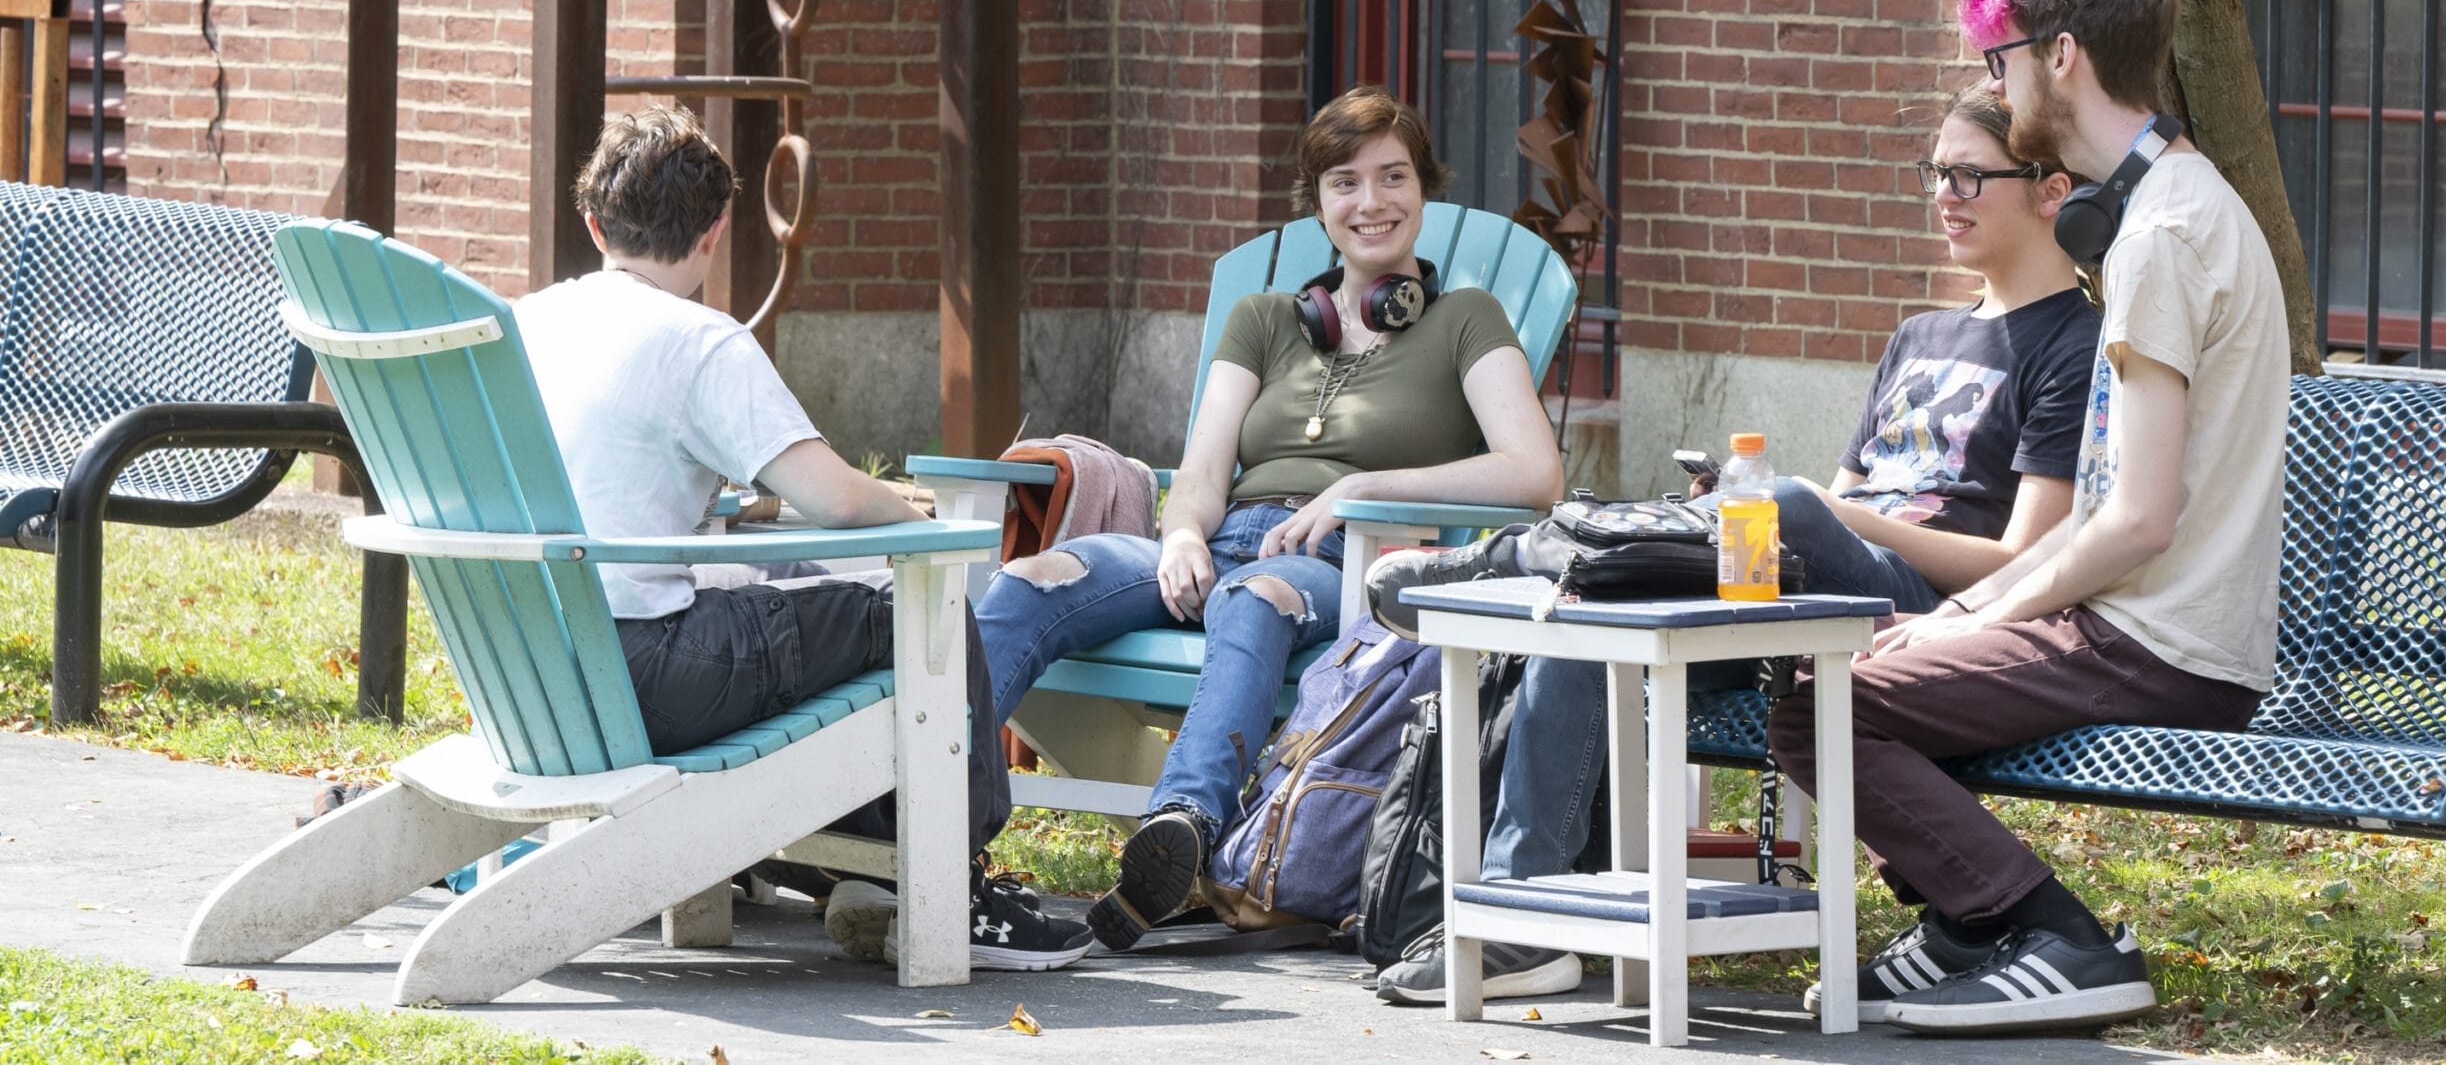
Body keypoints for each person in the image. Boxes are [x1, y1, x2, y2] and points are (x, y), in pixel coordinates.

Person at [1362, 80, 2102, 1005]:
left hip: (1921, 611)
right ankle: (1523, 918)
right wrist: (1762, 512)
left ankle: (1511, 552)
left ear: (2049, 189)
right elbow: (1836, 506)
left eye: (1969, 175)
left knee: (1781, 500)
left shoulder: (2074, 345)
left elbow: (2017, 561)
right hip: (1811, 582)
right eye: (1936, 172)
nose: (1944, 193)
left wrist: (1812, 513)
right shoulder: (1921, 334)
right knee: (1601, 606)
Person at [1771, 0, 2287, 1035]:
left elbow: (2136, 521)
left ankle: (2047, 934)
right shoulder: (2176, 208)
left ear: (2060, 57)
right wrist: (1958, 615)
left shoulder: (2161, 239)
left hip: (2156, 645)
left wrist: (1966, 619)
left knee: (1820, 710)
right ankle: (1969, 928)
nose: (1996, 87)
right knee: (1859, 672)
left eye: (2002, 60)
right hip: (2144, 629)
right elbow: (2115, 507)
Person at [971, 87, 1566, 951]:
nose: (1372, 202)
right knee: (1030, 581)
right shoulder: (1263, 320)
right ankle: (932, 829)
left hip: (1340, 560)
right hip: (1220, 538)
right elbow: (1206, 470)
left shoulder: (1463, 319)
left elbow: (1533, 470)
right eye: (1346, 182)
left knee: (1255, 597)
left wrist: (1366, 489)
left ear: (1424, 190)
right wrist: (1178, 534)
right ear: (1318, 203)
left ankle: (1179, 828)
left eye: (1393, 177)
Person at [511, 105, 1094, 972]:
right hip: (646, 674)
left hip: (532, 668)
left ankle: (842, 859)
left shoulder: (531, 320)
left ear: (594, 223)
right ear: (714, 232)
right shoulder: (700, 341)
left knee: (791, 594)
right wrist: (919, 516)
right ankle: (953, 881)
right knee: (916, 614)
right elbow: (837, 501)